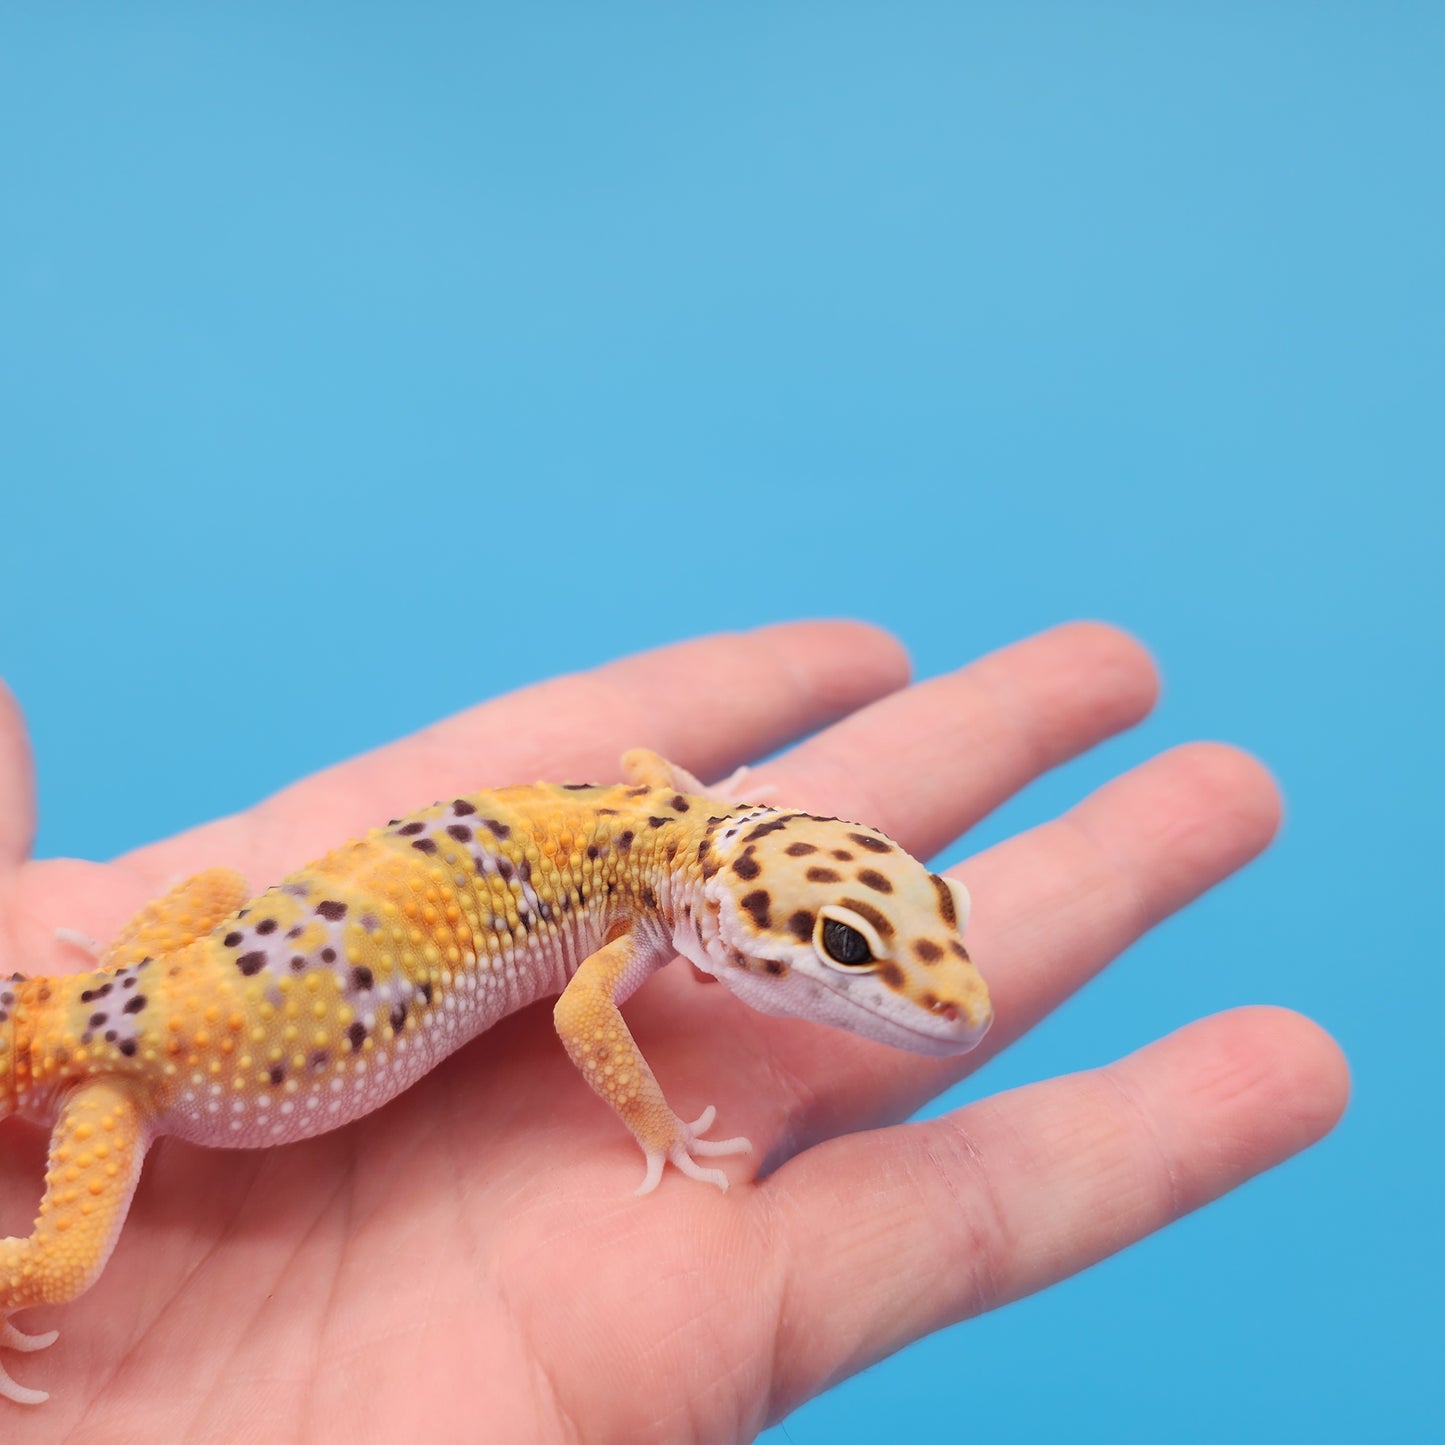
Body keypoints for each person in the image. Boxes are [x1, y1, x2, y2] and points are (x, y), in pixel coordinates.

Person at [0, 621, 1346, 1440]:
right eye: (843, 951)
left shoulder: (670, 836)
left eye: (909, 922)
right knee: (58, 1271)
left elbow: (657, 792)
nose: (934, 994)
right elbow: (588, 1014)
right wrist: (657, 1123)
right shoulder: (649, 900)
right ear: (728, 901)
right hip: (118, 1066)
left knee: (219, 897)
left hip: (173, 965)